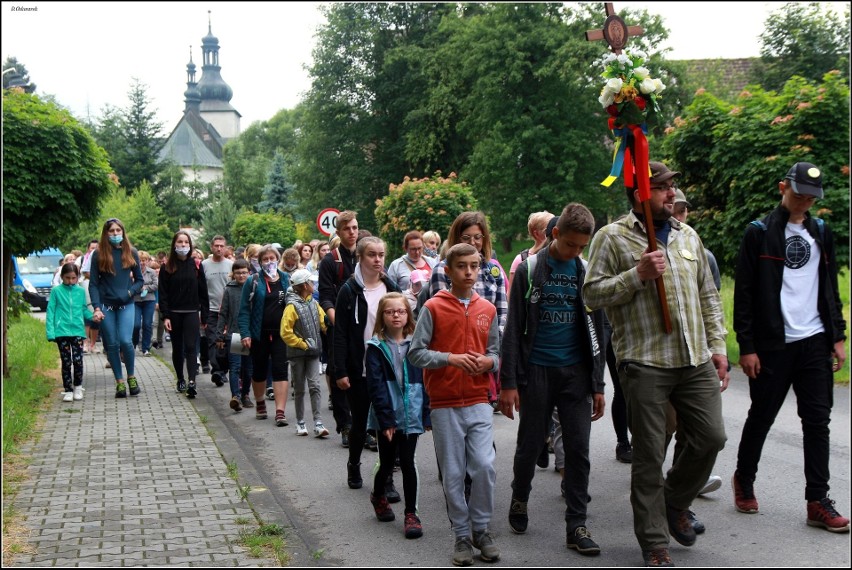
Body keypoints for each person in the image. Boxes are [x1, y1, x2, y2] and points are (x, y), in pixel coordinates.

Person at [583, 161, 729, 567]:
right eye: (663, 187)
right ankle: (654, 543)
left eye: (671, 187)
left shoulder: (688, 236)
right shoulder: (611, 238)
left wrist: (718, 346)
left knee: (711, 437)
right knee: (649, 453)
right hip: (644, 361)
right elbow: (592, 295)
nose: (671, 194)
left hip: (694, 356)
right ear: (639, 195)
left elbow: (708, 297)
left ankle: (673, 501)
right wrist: (637, 274)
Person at [732, 161, 848, 533]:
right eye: (798, 194)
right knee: (762, 417)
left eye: (811, 198)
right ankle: (744, 479)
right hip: (772, 345)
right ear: (783, 187)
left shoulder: (821, 232)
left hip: (814, 341)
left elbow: (828, 286)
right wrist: (747, 346)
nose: (804, 202)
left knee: (817, 422)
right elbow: (745, 293)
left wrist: (837, 335)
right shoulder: (759, 232)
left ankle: (818, 500)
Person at [499, 203, 606, 555]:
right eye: (571, 244)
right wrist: (509, 383)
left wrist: (598, 384)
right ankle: (520, 496)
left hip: (575, 375)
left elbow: (597, 330)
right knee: (530, 445)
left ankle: (577, 524)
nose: (576, 252)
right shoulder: (530, 269)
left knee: (578, 450)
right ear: (554, 234)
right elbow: (513, 328)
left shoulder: (586, 272)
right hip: (537, 372)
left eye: (582, 247)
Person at [409, 243, 502, 566]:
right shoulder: (434, 307)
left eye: (474, 266)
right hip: (445, 401)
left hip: (478, 398)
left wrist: (488, 364)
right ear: (448, 271)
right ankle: (462, 536)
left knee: (484, 466)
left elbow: (496, 354)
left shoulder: (486, 309)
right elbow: (415, 352)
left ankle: (482, 528)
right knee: (452, 473)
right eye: (462, 266)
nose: (469, 272)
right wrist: (450, 358)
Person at [333, 236, 402, 491]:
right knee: (360, 422)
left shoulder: (390, 286)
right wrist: (339, 370)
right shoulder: (348, 291)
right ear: (360, 258)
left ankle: (387, 478)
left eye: (381, 254)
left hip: (386, 368)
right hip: (358, 368)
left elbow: (402, 326)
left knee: (387, 421)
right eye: (372, 255)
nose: (378, 260)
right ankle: (354, 464)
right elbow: (339, 333)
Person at [365, 292, 431, 538]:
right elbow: (376, 385)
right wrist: (386, 419)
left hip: (412, 413)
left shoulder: (417, 344)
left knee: (408, 462)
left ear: (408, 315)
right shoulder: (375, 347)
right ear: (382, 315)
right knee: (387, 462)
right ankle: (378, 495)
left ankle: (411, 514)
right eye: (390, 311)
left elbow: (425, 381)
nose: (396, 315)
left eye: (400, 311)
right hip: (388, 414)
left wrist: (426, 414)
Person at [425, 211, 508, 408]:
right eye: (466, 237)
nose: (473, 242)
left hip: (485, 355)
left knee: (482, 423)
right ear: (456, 238)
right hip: (453, 357)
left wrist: (491, 354)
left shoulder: (493, 270)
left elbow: (502, 313)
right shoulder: (442, 269)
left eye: (478, 237)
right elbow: (442, 316)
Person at [89, 217, 144, 398]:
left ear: (122, 232)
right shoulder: (98, 254)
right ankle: (119, 381)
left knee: (126, 341)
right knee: (112, 343)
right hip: (106, 305)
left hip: (126, 303)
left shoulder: (131, 252)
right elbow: (94, 284)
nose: (114, 234)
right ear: (106, 234)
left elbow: (140, 281)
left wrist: (129, 293)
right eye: (111, 231)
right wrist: (96, 307)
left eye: (117, 231)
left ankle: (131, 376)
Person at [238, 244, 292, 425]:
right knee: (259, 371)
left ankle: (280, 411)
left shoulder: (286, 279)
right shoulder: (252, 281)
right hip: (258, 334)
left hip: (281, 335)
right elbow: (244, 309)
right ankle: (260, 402)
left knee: (280, 371)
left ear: (278, 259)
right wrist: (245, 333)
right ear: (260, 262)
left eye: (272, 258)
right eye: (265, 259)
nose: (270, 262)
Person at [319, 211, 359, 447]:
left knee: (363, 373)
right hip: (338, 326)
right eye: (347, 229)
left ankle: (364, 424)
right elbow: (325, 297)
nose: (352, 233)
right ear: (339, 232)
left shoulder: (366, 255)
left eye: (354, 228)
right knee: (339, 372)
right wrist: (338, 323)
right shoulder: (330, 261)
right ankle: (345, 424)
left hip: (364, 326)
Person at [159, 230, 210, 399]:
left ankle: (192, 382)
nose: (183, 245)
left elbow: (203, 292)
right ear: (174, 245)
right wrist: (165, 316)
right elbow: (163, 293)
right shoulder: (166, 268)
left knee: (190, 346)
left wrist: (205, 315)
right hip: (174, 313)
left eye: (186, 243)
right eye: (180, 242)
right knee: (178, 348)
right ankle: (180, 378)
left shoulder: (196, 265)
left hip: (191, 312)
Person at [281, 268, 330, 438]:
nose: (314, 284)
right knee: (300, 388)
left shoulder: (313, 303)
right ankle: (300, 422)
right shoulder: (291, 307)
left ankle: (318, 422)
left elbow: (323, 322)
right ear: (304, 285)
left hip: (313, 352)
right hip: (298, 353)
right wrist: (302, 344)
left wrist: (330, 327)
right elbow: (285, 332)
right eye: (311, 282)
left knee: (315, 386)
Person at [46, 262, 95, 402]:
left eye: (74, 278)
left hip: (78, 331)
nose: (71, 281)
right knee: (66, 361)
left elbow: (83, 309)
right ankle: (68, 389)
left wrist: (93, 317)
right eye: (67, 278)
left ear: (78, 277)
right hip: (61, 331)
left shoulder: (80, 291)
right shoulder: (56, 291)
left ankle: (78, 386)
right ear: (62, 277)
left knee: (78, 361)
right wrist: (51, 332)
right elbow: (51, 312)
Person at [216, 258, 254, 412]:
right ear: (233, 274)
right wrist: (219, 335)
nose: (241, 276)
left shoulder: (254, 288)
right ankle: (236, 396)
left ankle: (245, 394)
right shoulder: (229, 289)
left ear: (249, 273)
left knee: (248, 368)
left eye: (244, 273)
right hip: (235, 334)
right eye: (238, 273)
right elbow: (223, 313)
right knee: (235, 367)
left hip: (250, 334)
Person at [202, 235, 234, 387]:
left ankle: (225, 370)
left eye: (222, 246)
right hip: (211, 310)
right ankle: (217, 371)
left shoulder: (230, 265)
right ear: (211, 247)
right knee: (212, 340)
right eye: (216, 246)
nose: (219, 248)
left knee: (228, 342)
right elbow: (201, 289)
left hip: (229, 310)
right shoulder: (204, 265)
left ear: (226, 247)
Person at [507, 210, 553, 293]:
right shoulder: (521, 259)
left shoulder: (559, 257)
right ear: (536, 234)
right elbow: (511, 293)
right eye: (548, 230)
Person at [132, 251, 158, 357]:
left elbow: (156, 285)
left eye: (144, 260)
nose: (142, 262)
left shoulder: (151, 272)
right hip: (136, 301)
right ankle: (134, 344)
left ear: (147, 261)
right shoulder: (132, 272)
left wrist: (146, 288)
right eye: (139, 260)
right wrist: (137, 287)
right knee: (136, 325)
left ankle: (146, 348)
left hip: (149, 300)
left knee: (147, 324)